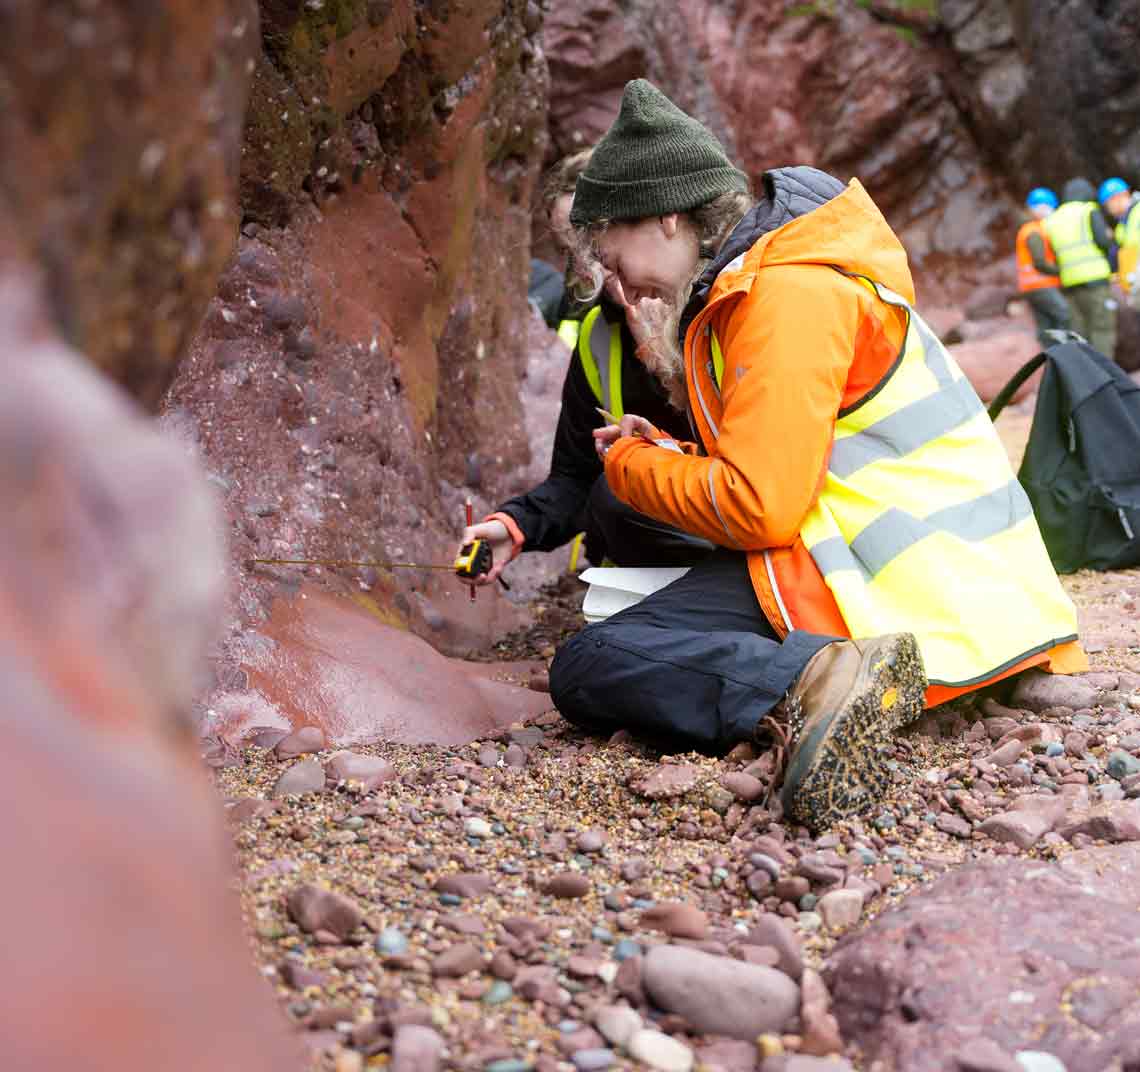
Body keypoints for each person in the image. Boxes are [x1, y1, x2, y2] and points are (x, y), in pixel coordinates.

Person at [549, 79, 1086, 831]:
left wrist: (633, 466)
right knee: (635, 630)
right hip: (937, 580)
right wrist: (670, 447)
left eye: (614, 254)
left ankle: (817, 680)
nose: (617, 283)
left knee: (587, 665)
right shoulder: (769, 282)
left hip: (902, 586)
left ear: (667, 218)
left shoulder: (783, 296)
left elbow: (757, 505)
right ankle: (832, 677)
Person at [459, 151, 710, 588]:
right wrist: (514, 527)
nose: (590, 267)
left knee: (619, 493)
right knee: (614, 494)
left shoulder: (720, 309)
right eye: (569, 250)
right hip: (644, 562)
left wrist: (667, 365)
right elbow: (575, 477)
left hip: (746, 546)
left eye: (596, 243)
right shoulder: (599, 337)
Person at [1044, 178, 1117, 358]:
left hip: (1069, 284)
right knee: (1102, 329)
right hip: (1095, 280)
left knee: (1079, 332)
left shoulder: (1052, 219)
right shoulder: (1087, 210)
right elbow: (1103, 241)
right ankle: (1106, 376)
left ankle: (1086, 378)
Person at [1015, 187, 1071, 344]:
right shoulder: (1034, 231)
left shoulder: (1029, 229)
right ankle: (1065, 355)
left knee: (1045, 326)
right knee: (1063, 314)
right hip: (1041, 285)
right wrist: (1061, 271)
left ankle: (1052, 358)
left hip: (1031, 287)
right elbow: (1039, 262)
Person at [1100, 176, 1140, 310]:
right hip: (1133, 283)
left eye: (1108, 204)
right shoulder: (1122, 225)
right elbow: (1117, 253)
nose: (1109, 210)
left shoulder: (1137, 212)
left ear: (1117, 198)